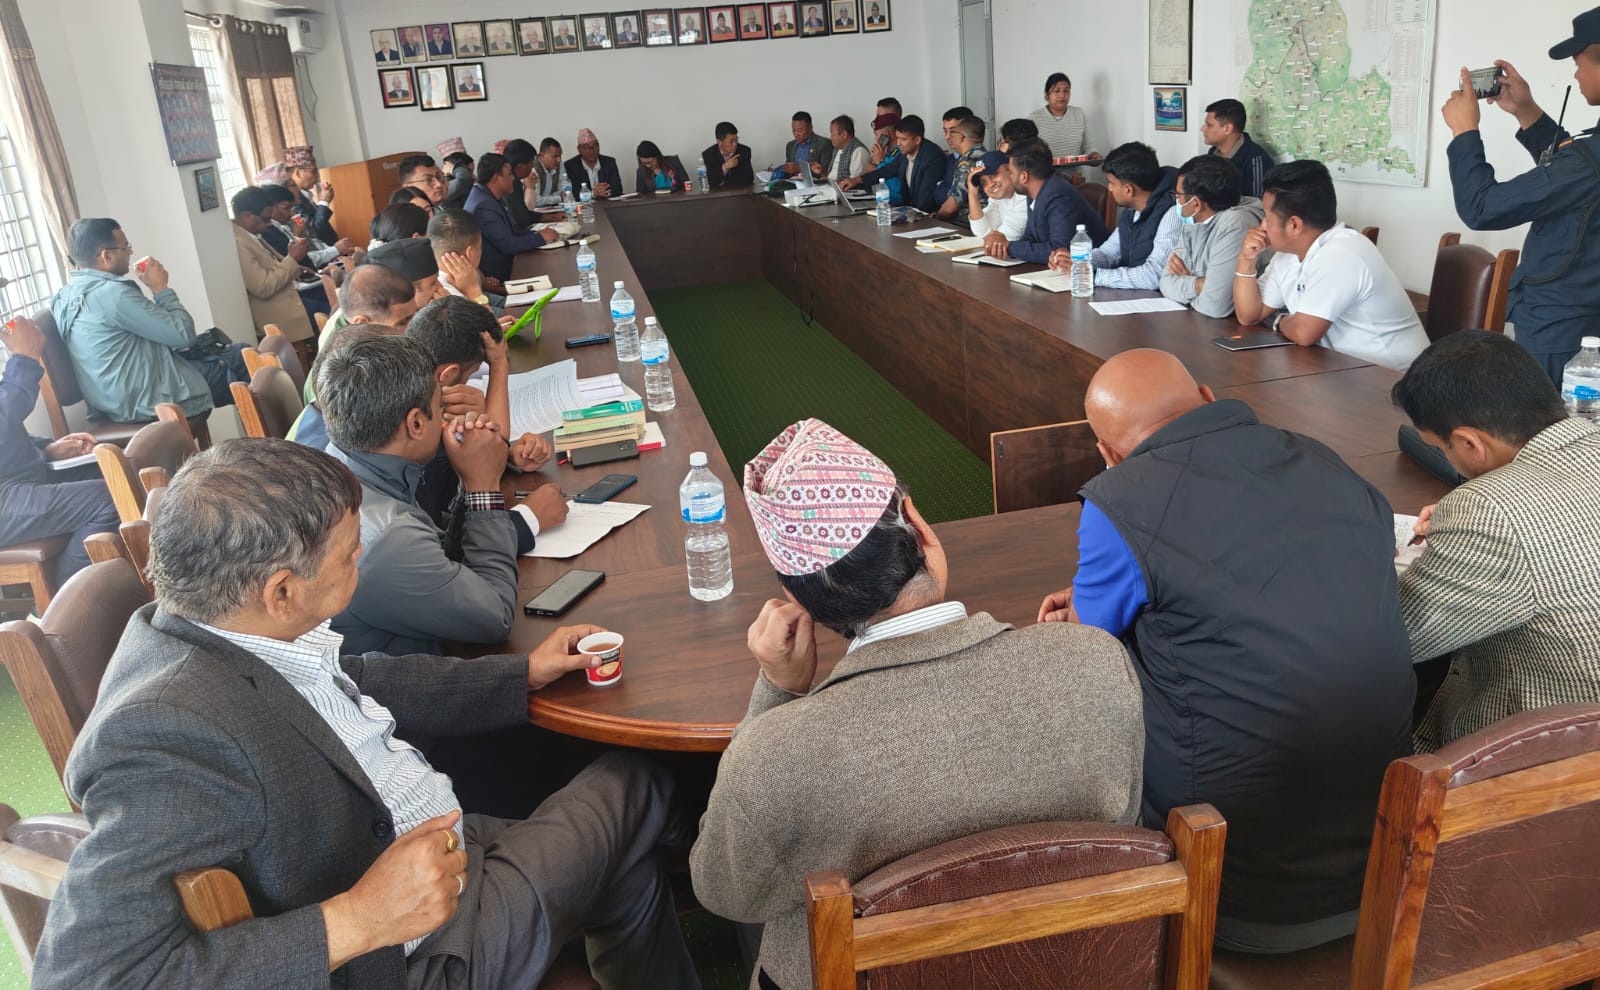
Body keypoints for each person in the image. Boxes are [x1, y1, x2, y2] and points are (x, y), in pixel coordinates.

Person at [29, 438, 700, 990]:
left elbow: (357, 678)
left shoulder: (217, 625)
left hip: (448, 850)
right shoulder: (167, 736)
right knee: (637, 779)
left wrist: (524, 672)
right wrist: (357, 920)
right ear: (282, 591)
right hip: (420, 953)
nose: (361, 560)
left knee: (626, 859)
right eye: (351, 554)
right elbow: (89, 976)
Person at [691, 419, 1144, 990]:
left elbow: (723, 889)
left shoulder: (773, 755)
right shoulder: (1097, 664)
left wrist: (776, 692)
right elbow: (1121, 829)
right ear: (921, 529)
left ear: (796, 599)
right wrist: (1058, 657)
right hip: (1075, 970)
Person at [1037, 348, 1414, 953]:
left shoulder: (1120, 497)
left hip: (1232, 885)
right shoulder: (1322, 458)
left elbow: (1089, 641)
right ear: (1208, 398)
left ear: (1108, 453)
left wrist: (1086, 603)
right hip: (1388, 855)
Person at [1390, 330, 1600, 751]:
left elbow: (1396, 639)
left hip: (1551, 760)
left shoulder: (1489, 511)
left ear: (1470, 442)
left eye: (1441, 447)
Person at [318, 335, 514, 656]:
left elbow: (442, 558)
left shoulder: (336, 467)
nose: (446, 417)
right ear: (416, 423)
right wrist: (483, 488)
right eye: (440, 407)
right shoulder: (389, 537)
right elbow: (495, 616)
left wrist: (468, 475)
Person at [1440, 12, 1600, 383]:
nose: (1576, 75)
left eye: (1580, 64)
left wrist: (1464, 131)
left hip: (1560, 336)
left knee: (1546, 420)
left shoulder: (1589, 162)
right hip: (1581, 326)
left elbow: (1482, 208)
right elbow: (1574, 178)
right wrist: (1526, 112)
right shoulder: (1590, 158)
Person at [1233, 160, 1429, 371]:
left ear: (1294, 225)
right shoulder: (1287, 255)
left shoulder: (1342, 253)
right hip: (1344, 370)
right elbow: (1249, 316)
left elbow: (1303, 333)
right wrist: (1246, 260)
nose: (1262, 226)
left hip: (1395, 378)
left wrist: (1279, 320)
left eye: (1267, 218)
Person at [53, 217, 243, 420]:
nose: (130, 252)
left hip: (112, 403)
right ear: (106, 256)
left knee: (233, 357)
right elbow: (183, 335)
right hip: (146, 400)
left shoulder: (63, 297)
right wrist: (160, 288)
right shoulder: (113, 295)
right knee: (242, 359)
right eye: (125, 247)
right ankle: (261, 436)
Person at [0, 316, 119, 585]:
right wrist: (25, 358)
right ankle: (69, 597)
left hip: (16, 479)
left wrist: (46, 449)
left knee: (120, 472)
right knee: (110, 498)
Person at [1050, 142, 1179, 289]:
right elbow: (1108, 254)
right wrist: (1076, 262)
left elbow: (1153, 276)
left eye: (1111, 183)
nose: (1109, 188)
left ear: (1129, 190)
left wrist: (1092, 275)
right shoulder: (1132, 210)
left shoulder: (1172, 213)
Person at [1159, 155, 1265, 318]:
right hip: (1203, 321)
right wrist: (1199, 284)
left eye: (1178, 195)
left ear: (1195, 203)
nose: (1177, 200)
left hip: (1244, 327)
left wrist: (1192, 286)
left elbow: (1215, 307)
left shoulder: (1236, 223)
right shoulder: (1192, 220)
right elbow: (1165, 281)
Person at [986, 144, 1108, 263]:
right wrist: (1003, 247)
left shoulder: (1059, 197)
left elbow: (1059, 250)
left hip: (1088, 271)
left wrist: (1009, 247)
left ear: (1024, 177)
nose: (1010, 178)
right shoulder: (1035, 192)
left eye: (1011, 173)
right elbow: (1032, 237)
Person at [464, 152, 560, 283]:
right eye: (509, 174)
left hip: (509, 262)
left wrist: (538, 233)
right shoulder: (483, 206)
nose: (513, 178)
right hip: (498, 274)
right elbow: (508, 245)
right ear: (496, 178)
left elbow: (511, 230)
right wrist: (540, 238)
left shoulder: (487, 195)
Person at [841, 115, 942, 212]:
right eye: (897, 138)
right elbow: (886, 171)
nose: (898, 143)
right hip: (910, 210)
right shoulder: (905, 153)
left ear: (917, 140)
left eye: (903, 139)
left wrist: (909, 216)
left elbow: (925, 201)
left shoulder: (932, 157)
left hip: (925, 215)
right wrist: (857, 180)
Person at [1201, 98, 1275, 199]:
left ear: (1227, 129)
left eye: (1209, 125)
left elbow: (1257, 204)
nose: (1203, 129)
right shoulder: (1213, 152)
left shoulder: (1256, 159)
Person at [1029, 73, 1101, 173]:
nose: (1062, 95)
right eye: (1057, 91)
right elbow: (1030, 152)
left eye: (1066, 91)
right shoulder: (1035, 118)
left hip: (1075, 177)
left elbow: (1088, 146)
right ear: (1047, 94)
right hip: (1045, 176)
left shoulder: (1079, 114)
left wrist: (1094, 155)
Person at [966, 150, 1029, 248]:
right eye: (983, 183)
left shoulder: (1025, 195)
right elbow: (981, 232)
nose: (991, 184)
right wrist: (972, 193)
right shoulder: (998, 198)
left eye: (994, 174)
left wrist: (990, 239)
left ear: (1010, 170)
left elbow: (1001, 241)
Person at [934, 115, 986, 221]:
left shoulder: (968, 162)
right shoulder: (985, 155)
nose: (948, 137)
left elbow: (950, 207)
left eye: (953, 133)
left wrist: (936, 218)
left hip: (966, 223)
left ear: (961, 137)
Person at [285, 146, 340, 245]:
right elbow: (314, 230)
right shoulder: (292, 200)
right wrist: (324, 203)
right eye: (313, 172)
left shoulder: (304, 195)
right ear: (298, 173)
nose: (317, 176)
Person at [563, 128, 624, 199]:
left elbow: (618, 189)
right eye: (586, 147)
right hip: (584, 205)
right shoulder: (571, 166)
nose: (591, 150)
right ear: (579, 149)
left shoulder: (609, 162)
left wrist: (604, 192)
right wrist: (593, 194)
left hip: (607, 203)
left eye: (595, 146)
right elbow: (573, 193)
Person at [498, 138, 539, 228]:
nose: (532, 166)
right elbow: (521, 220)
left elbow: (524, 213)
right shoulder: (509, 184)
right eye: (531, 163)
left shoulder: (515, 181)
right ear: (520, 166)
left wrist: (549, 216)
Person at [701, 121, 754, 189]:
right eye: (731, 141)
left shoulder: (744, 151)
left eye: (736, 140)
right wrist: (725, 167)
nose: (735, 144)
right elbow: (711, 181)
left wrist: (723, 181)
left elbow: (749, 178)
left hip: (742, 191)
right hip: (719, 193)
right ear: (719, 142)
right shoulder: (709, 155)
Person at [783, 111, 832, 179]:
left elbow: (825, 171)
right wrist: (776, 171)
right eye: (794, 130)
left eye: (800, 130)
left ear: (810, 128)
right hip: (793, 183)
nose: (796, 134)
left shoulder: (824, 143)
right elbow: (788, 170)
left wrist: (800, 168)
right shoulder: (790, 146)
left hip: (814, 184)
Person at [822, 114, 871, 182]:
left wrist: (832, 183)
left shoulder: (859, 151)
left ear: (844, 135)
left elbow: (853, 181)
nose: (830, 137)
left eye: (832, 134)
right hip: (830, 184)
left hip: (844, 188)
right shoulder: (837, 148)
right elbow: (832, 174)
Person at [527, 137, 564, 209]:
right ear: (542, 155)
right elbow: (535, 200)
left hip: (553, 208)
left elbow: (564, 190)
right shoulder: (533, 168)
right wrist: (558, 198)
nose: (559, 160)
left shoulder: (559, 164)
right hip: (535, 211)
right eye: (555, 156)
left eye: (560, 156)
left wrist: (545, 199)